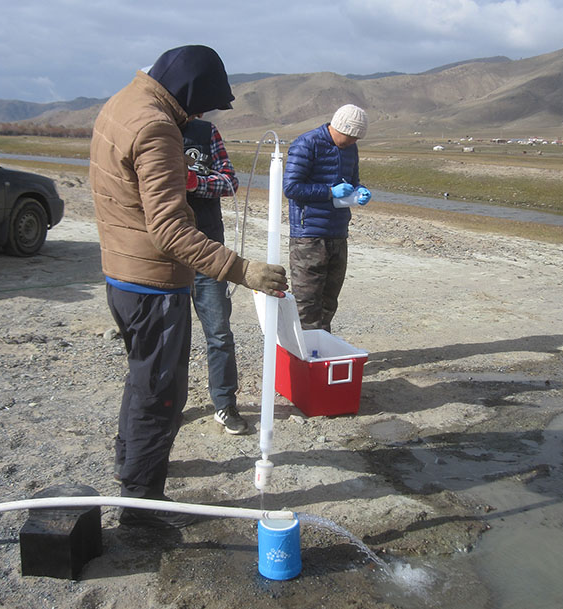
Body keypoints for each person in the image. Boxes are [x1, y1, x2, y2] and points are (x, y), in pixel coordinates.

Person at [89, 45, 287, 528]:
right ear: (190, 90)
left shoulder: (122, 103)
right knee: (160, 393)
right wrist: (241, 270)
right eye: (202, 103)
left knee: (143, 381)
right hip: (151, 282)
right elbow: (170, 230)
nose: (200, 115)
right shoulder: (157, 126)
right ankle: (141, 510)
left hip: (122, 271)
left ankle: (131, 469)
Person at [181, 117, 247, 435]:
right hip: (165, 257)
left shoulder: (205, 132)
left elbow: (230, 181)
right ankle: (167, 406)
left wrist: (194, 183)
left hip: (208, 252)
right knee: (169, 337)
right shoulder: (149, 128)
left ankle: (224, 404)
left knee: (219, 335)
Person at [283, 104, 371, 332]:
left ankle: (322, 352)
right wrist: (329, 192)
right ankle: (305, 358)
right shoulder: (306, 144)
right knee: (307, 302)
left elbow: (352, 181)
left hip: (338, 233)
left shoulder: (351, 149)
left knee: (329, 302)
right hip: (309, 236)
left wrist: (359, 191)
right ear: (339, 127)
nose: (353, 142)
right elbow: (291, 187)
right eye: (350, 136)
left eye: (357, 138)